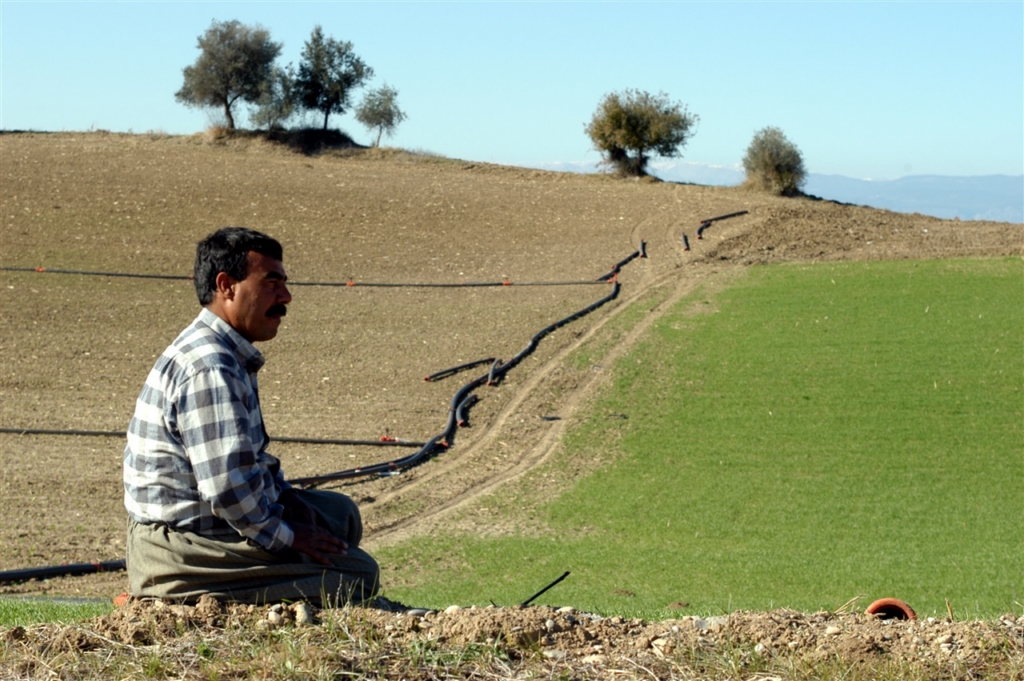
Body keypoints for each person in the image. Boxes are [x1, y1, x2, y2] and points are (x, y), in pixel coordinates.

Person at [123, 227, 380, 606]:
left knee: (341, 516)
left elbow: (248, 464)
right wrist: (290, 537)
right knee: (357, 574)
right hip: (182, 546)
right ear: (226, 286)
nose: (286, 297)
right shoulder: (210, 368)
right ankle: (178, 591)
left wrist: (290, 503)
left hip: (205, 525)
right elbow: (229, 491)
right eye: (272, 282)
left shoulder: (225, 353)